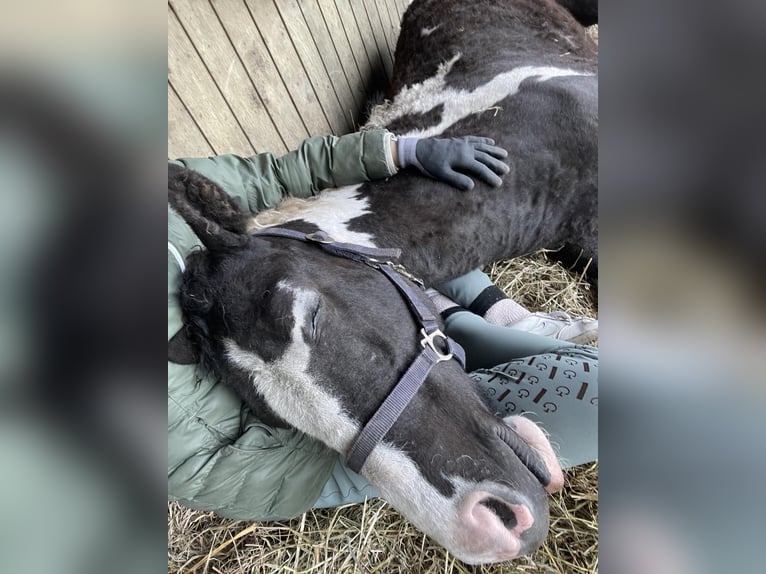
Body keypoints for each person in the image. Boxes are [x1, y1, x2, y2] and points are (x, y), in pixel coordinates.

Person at [168, 128, 597, 519]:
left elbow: (275, 175)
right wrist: (449, 424)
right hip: (277, 459)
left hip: (272, 309)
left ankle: (477, 320)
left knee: (381, 233)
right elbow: (205, 459)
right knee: (613, 394)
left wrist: (402, 150)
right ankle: (468, 323)